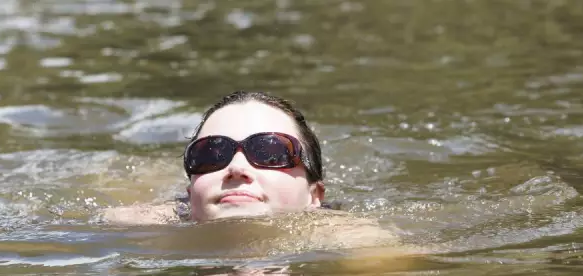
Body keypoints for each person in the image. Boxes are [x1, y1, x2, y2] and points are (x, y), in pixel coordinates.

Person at [100, 90, 405, 252]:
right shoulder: (134, 226)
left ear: (315, 195)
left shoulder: (351, 234)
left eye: (270, 151)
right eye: (211, 154)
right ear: (191, 193)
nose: (236, 167)